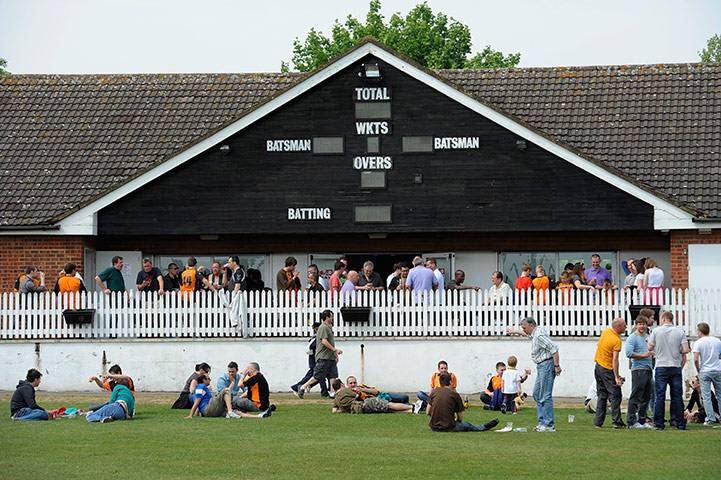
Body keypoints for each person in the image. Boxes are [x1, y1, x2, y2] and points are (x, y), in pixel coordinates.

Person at [507, 317, 561, 432]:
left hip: (546, 365)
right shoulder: (535, 331)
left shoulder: (539, 336)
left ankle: (548, 425)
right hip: (541, 366)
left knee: (545, 395)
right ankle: (542, 423)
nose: (524, 330)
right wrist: (514, 331)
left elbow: (554, 349)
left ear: (531, 325)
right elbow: (526, 334)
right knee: (537, 394)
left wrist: (557, 366)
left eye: (525, 328)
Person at [648, 310, 690, 430]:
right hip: (675, 366)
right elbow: (686, 349)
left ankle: (658, 423)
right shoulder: (679, 331)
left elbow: (650, 347)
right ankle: (680, 423)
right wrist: (677, 351)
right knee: (677, 396)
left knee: (660, 396)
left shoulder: (656, 331)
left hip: (661, 366)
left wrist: (649, 343)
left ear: (663, 319)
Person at [427, 372, 499, 432]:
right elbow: (460, 417)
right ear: (450, 382)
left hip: (434, 427)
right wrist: (456, 421)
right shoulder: (454, 394)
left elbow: (428, 412)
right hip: (448, 427)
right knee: (467, 425)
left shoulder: (434, 392)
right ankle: (483, 427)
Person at [298, 310, 343, 399]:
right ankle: (302, 387)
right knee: (318, 376)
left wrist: (335, 355)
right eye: (331, 316)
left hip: (330, 357)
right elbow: (324, 341)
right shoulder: (323, 327)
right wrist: (335, 350)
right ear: (327, 317)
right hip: (323, 357)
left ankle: (332, 394)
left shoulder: (329, 328)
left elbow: (330, 342)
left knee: (333, 375)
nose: (333, 318)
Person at [186, 374, 273, 419]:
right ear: (204, 380)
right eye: (208, 378)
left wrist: (198, 414)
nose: (210, 380)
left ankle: (259, 416)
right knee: (226, 391)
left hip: (209, 411)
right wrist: (191, 415)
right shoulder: (201, 387)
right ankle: (230, 411)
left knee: (237, 413)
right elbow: (197, 401)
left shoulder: (201, 388)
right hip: (208, 410)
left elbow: (199, 402)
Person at [593, 318, 627, 429]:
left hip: (598, 365)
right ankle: (617, 422)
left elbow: (599, 345)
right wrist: (617, 377)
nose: (625, 327)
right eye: (624, 325)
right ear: (618, 327)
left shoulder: (606, 332)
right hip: (607, 369)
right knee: (616, 394)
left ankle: (598, 422)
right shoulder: (616, 340)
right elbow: (615, 360)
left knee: (602, 394)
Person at [625, 316, 654, 428]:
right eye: (640, 324)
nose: (642, 326)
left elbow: (653, 350)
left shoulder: (648, 337)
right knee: (636, 395)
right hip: (638, 369)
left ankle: (642, 420)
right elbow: (629, 353)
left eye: (644, 324)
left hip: (648, 368)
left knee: (646, 396)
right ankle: (631, 421)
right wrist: (644, 355)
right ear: (636, 325)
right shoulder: (632, 337)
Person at [331, 379, 422, 414]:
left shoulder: (336, 399)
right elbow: (357, 396)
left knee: (388, 410)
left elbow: (334, 411)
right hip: (366, 403)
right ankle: (412, 406)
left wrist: (347, 409)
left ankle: (410, 411)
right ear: (342, 385)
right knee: (388, 405)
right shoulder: (346, 391)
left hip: (360, 410)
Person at [692, 322, 721, 426]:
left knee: (706, 396)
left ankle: (710, 419)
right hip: (717, 370)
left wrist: (698, 369)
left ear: (699, 332)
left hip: (705, 370)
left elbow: (695, 359)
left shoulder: (698, 343)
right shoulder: (717, 341)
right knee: (720, 394)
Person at [291, 322, 329, 397]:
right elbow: (312, 347)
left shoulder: (317, 338)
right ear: (316, 330)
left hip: (316, 361)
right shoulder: (315, 339)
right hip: (315, 361)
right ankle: (323, 393)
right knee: (319, 377)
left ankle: (300, 387)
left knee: (319, 376)